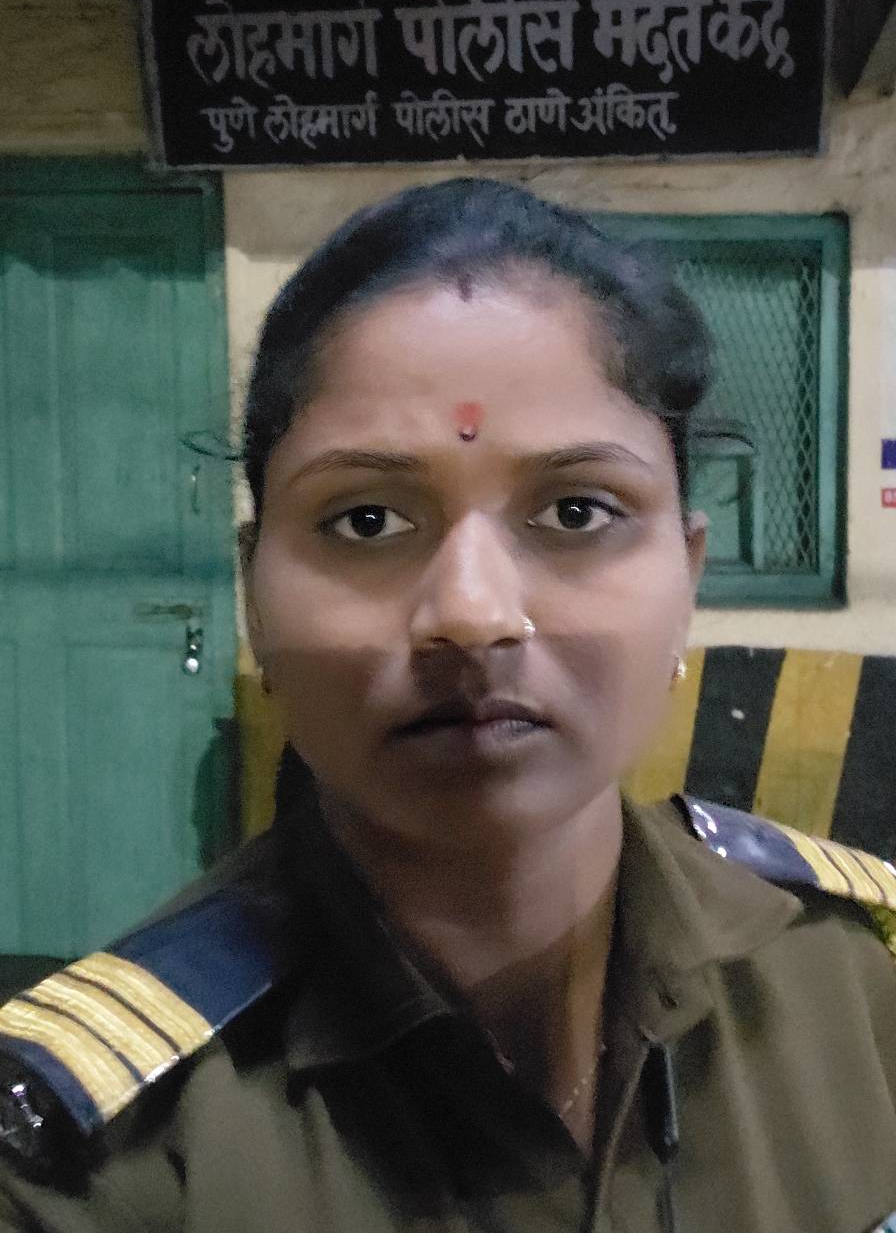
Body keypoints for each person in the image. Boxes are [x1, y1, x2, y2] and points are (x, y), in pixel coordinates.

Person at [1, 176, 895, 1232]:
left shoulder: (856, 980)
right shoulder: (86, 1164)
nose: (472, 615)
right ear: (254, 597)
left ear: (687, 580)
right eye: (366, 520)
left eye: (577, 510)